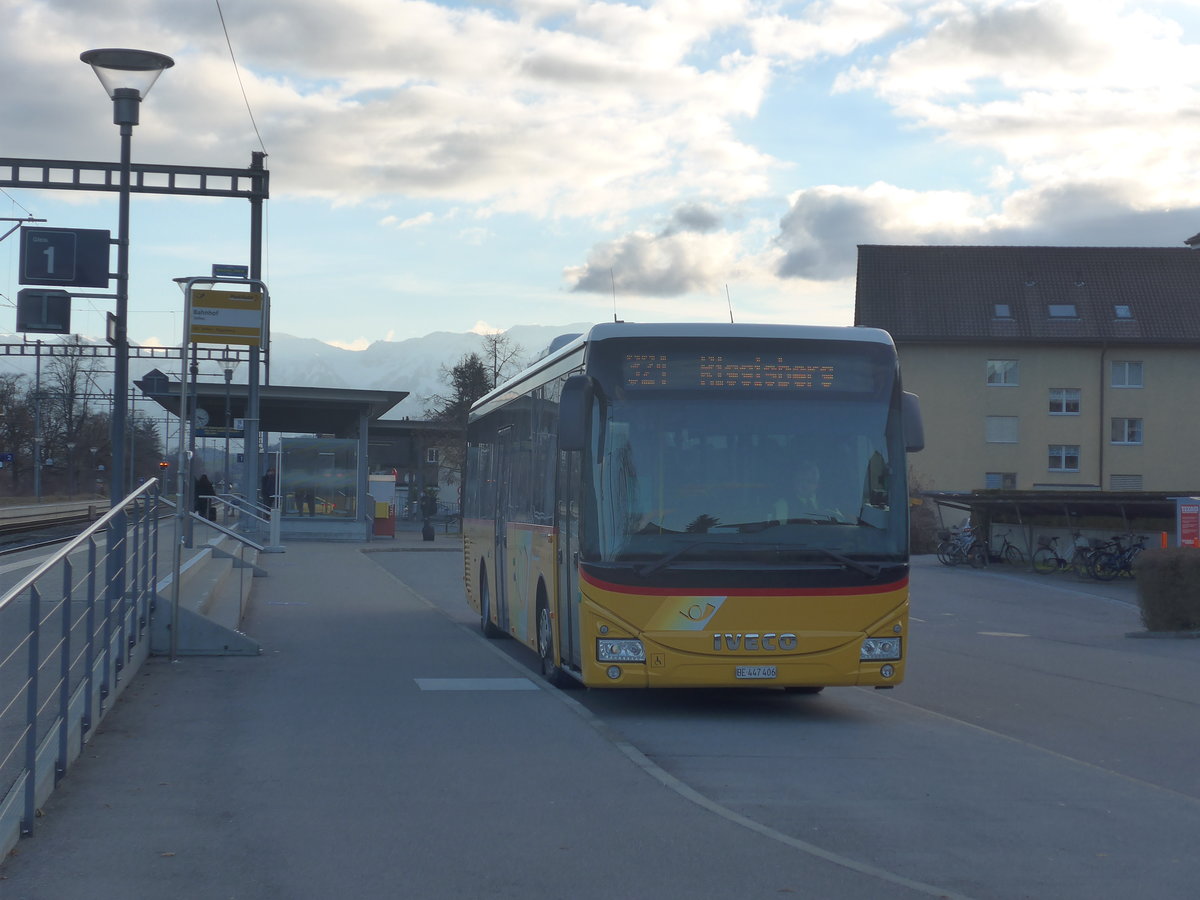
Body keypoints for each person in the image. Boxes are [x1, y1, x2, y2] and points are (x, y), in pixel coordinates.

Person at [772, 462, 839, 523]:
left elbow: (840, 524)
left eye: (810, 481)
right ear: (794, 481)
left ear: (818, 484)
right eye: (801, 480)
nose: (805, 485)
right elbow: (780, 531)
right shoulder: (782, 505)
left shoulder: (829, 504)